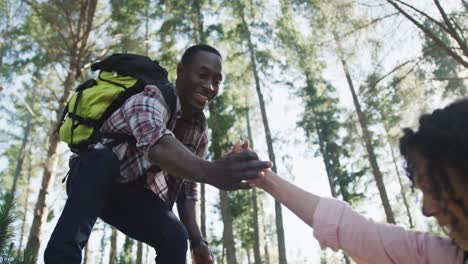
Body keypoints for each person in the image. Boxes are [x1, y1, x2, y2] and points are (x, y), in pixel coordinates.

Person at [44, 44, 272, 264]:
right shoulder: (150, 98)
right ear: (181, 72)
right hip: (90, 178)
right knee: (102, 160)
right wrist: (210, 170)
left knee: (174, 236)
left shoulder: (199, 132)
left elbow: (187, 190)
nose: (210, 86)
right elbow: (158, 143)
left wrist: (197, 241)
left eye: (217, 81)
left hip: (128, 193)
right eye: (202, 75)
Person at [231, 99, 468, 263]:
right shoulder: (444, 257)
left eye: (437, 187)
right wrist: (263, 178)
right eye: (423, 190)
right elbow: (350, 229)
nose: (427, 209)